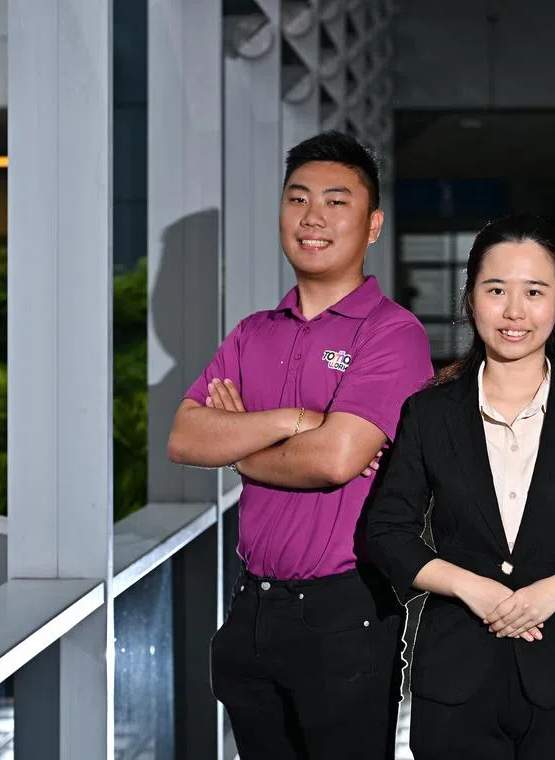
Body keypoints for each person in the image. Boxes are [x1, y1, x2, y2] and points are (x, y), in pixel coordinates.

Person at [166, 131, 433, 760]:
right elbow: (183, 438)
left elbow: (334, 461)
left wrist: (234, 442)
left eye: (336, 201)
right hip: (251, 608)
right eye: (298, 199)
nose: (312, 217)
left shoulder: (392, 335)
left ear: (372, 226)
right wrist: (295, 418)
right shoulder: (252, 333)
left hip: (345, 613)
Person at [366, 214, 555, 760]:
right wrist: (473, 588)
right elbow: (386, 532)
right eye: (496, 290)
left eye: (534, 292)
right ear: (470, 296)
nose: (514, 311)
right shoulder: (429, 412)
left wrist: (551, 591)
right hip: (456, 674)